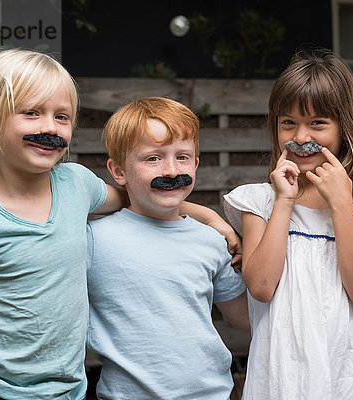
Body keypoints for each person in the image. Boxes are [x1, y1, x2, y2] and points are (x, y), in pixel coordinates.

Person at [0, 50, 239, 400]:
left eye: (62, 117)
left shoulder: (76, 184)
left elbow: (141, 194)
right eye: (31, 113)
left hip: (68, 391)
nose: (50, 129)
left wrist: (206, 216)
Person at [223, 49, 353, 399]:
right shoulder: (260, 201)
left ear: (345, 127)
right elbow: (260, 286)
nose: (301, 137)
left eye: (317, 123)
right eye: (288, 122)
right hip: (284, 370)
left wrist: (342, 203)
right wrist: (284, 201)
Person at [87, 97, 249, 399]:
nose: (172, 170)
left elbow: (246, 318)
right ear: (118, 171)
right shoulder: (93, 240)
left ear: (197, 163)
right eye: (153, 158)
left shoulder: (212, 241)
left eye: (183, 157)